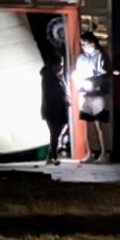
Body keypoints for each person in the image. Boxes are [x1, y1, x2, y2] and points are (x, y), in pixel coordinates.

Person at [74, 27, 110, 162]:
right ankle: (89, 153)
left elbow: (105, 74)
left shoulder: (100, 55)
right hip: (84, 94)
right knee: (87, 125)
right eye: (81, 44)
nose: (83, 46)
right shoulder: (81, 58)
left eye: (85, 43)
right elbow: (78, 73)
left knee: (100, 125)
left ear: (92, 43)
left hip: (98, 95)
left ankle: (104, 153)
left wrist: (93, 81)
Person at [39, 16, 71, 164]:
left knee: (55, 133)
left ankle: (52, 155)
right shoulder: (51, 79)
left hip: (52, 110)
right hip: (54, 110)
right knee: (55, 133)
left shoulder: (50, 77)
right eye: (60, 66)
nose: (62, 69)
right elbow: (54, 95)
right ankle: (52, 156)